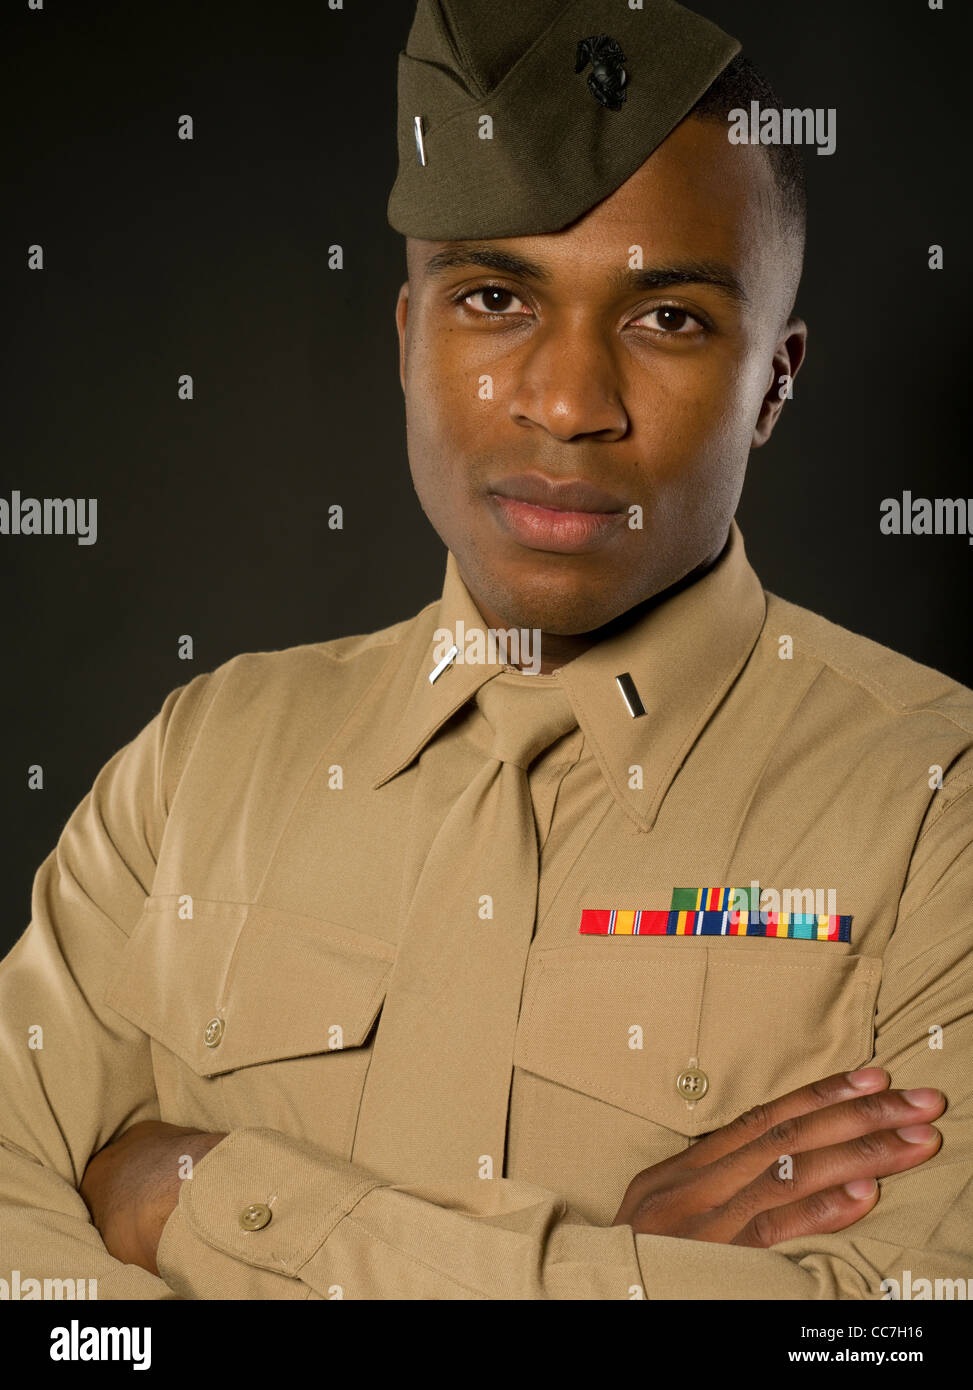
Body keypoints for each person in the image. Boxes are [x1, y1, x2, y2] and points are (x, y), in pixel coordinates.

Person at [2, 0, 971, 1300]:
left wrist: (196, 1196)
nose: (565, 402)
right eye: (495, 297)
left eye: (667, 318)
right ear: (410, 342)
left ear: (774, 384)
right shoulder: (199, 764)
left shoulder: (938, 811)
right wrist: (616, 1273)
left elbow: (885, 1330)